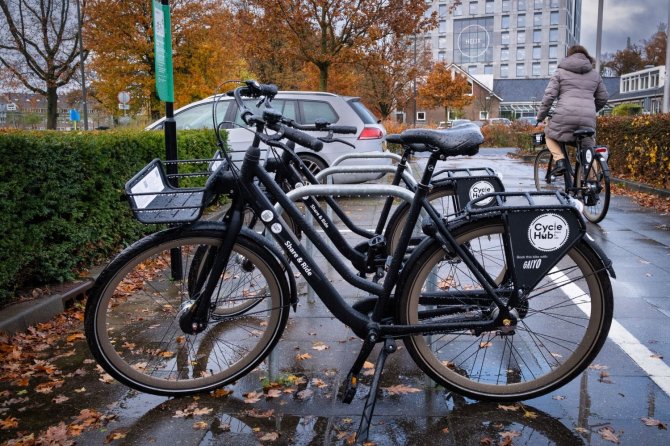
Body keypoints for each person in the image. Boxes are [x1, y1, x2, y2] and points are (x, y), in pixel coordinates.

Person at [536, 45, 608, 176]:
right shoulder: (595, 75)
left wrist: (540, 116)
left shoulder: (560, 72)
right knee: (588, 150)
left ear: (569, 56)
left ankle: (560, 161)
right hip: (587, 119)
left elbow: (549, 96)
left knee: (549, 135)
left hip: (565, 115)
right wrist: (590, 110)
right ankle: (592, 186)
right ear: (586, 57)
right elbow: (603, 98)